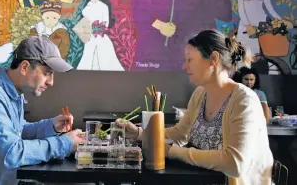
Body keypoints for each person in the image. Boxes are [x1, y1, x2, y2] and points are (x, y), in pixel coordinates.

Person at [117, 30, 273, 184]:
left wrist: (172, 152)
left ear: (213, 59)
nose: (185, 66)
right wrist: (139, 134)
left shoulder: (244, 100)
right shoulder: (200, 94)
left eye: (189, 59)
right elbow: (179, 134)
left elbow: (235, 163)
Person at [0, 36, 85, 185]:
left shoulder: (12, 92)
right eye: (46, 73)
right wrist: (65, 143)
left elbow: (16, 132)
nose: (51, 82)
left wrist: (51, 126)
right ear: (24, 67)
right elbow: (11, 153)